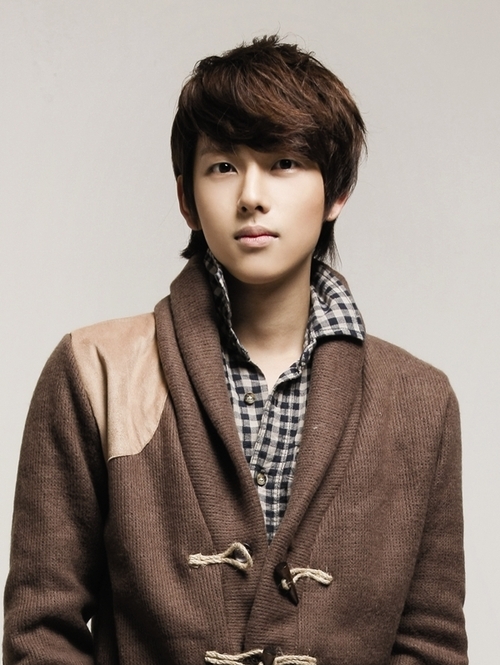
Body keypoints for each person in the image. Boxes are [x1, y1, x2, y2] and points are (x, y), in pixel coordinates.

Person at [3, 35, 468, 664]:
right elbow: (40, 631)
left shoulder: (419, 401)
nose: (251, 195)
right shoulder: (95, 371)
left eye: (284, 163)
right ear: (186, 199)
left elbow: (431, 643)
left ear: (336, 192)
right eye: (223, 166)